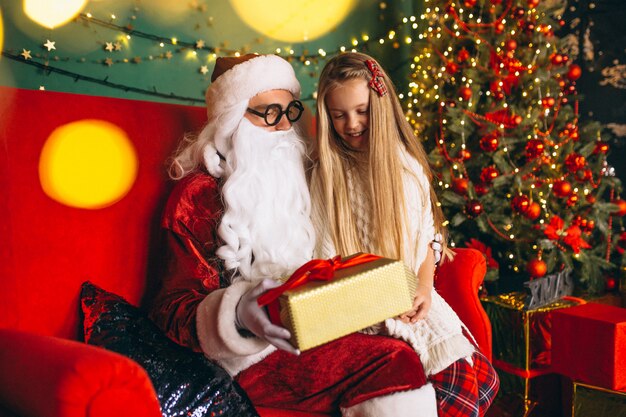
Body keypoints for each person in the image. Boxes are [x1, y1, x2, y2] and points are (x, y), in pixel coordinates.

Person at [149, 53, 444, 417]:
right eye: (269, 114)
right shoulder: (199, 195)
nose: (284, 128)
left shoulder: (305, 175)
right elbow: (171, 307)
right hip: (249, 353)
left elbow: (415, 219)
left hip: (323, 325)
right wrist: (240, 314)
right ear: (232, 120)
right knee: (393, 361)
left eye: (290, 113)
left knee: (429, 359)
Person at [309, 51, 499, 417]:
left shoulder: (406, 165)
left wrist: (425, 288)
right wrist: (382, 299)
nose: (351, 123)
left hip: (414, 296)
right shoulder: (331, 175)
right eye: (338, 115)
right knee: (459, 386)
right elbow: (326, 260)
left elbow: (427, 238)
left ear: (381, 106)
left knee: (486, 380)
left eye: (362, 110)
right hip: (367, 306)